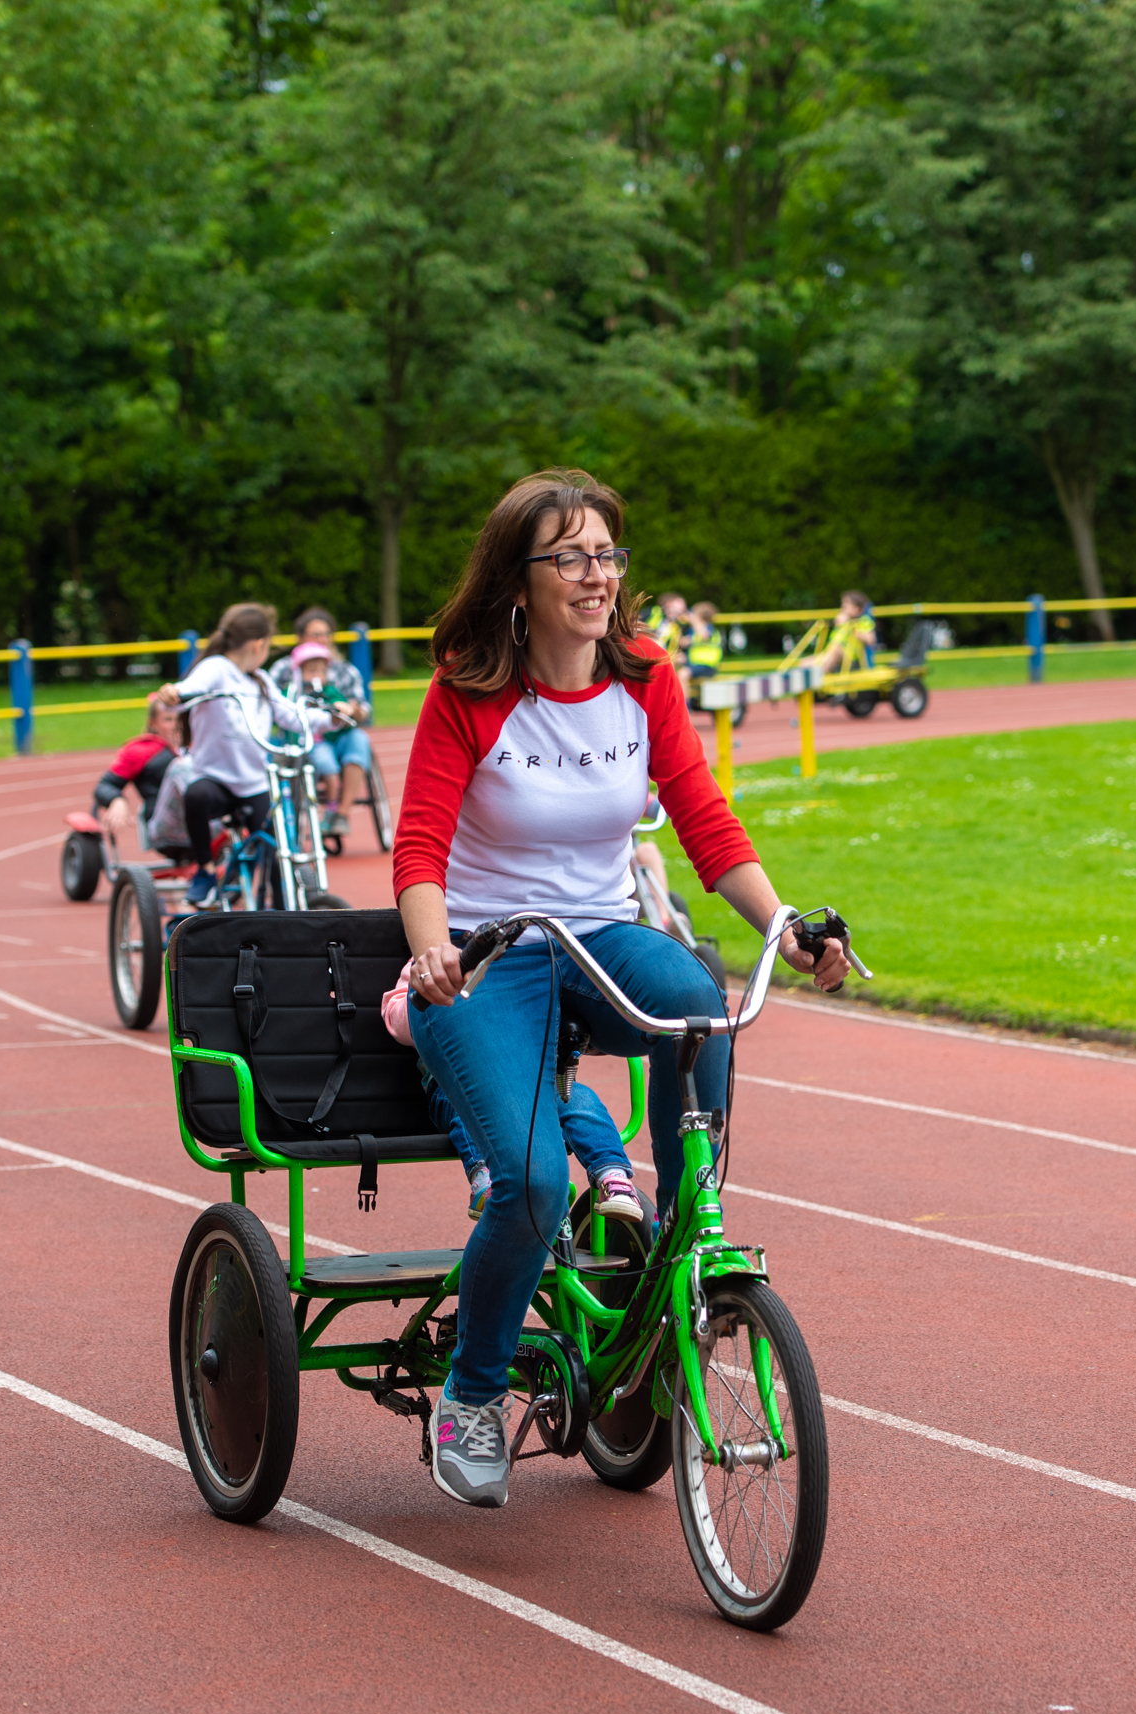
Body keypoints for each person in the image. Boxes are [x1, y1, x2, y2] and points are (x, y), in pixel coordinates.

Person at [393, 468, 849, 1510]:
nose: (596, 574)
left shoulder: (645, 675)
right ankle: (471, 1391)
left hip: (600, 934)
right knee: (534, 1181)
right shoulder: (472, 685)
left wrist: (784, 920)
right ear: (520, 578)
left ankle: (691, 1228)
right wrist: (431, 952)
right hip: (487, 954)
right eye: (571, 556)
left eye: (607, 553)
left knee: (699, 994)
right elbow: (418, 845)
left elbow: (703, 819)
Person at [381, 961, 643, 1227]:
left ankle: (612, 1175)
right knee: (469, 1108)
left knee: (580, 1100)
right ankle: (486, 1180)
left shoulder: (528, 957)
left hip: (532, 1084)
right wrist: (432, 996)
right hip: (455, 1083)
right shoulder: (431, 959)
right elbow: (394, 1016)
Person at [147, 603, 332, 896]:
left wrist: (333, 717)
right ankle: (205, 872)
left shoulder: (260, 681)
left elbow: (292, 715)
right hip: (216, 781)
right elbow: (193, 687)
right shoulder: (217, 668)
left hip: (254, 784)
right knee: (196, 794)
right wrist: (175, 692)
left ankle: (282, 905)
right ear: (259, 644)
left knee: (278, 844)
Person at [273, 632, 375, 841]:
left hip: (326, 742)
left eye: (321, 670)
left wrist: (341, 707)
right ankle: (322, 807)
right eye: (311, 671)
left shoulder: (330, 690)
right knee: (318, 762)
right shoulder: (291, 692)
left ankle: (335, 809)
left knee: (335, 756)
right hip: (303, 743)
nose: (317, 675)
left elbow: (343, 704)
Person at [90, 686, 181, 854]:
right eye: (168, 719)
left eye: (180, 718)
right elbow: (105, 785)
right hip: (169, 829)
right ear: (154, 723)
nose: (177, 725)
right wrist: (117, 800)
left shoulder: (200, 746)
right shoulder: (140, 751)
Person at [831, 589, 880, 671]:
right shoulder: (845, 621)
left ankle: (815, 678)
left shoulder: (863, 621)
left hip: (852, 659)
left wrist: (855, 631)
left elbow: (871, 639)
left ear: (857, 608)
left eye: (847, 604)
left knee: (835, 651)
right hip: (837, 656)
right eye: (843, 603)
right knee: (806, 663)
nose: (843, 607)